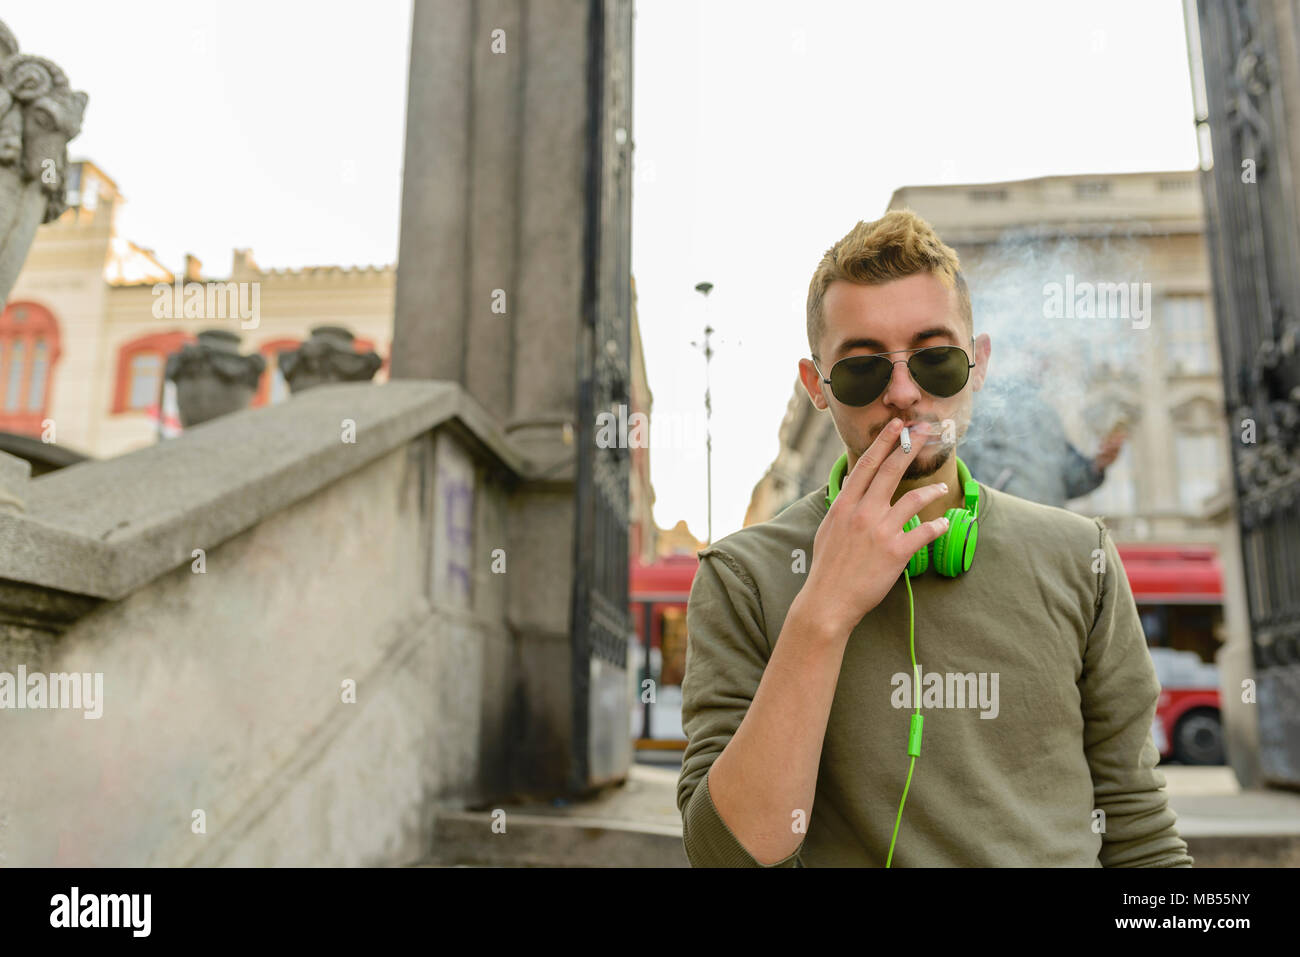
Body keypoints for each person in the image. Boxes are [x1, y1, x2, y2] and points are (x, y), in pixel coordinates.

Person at [676, 209, 1191, 867]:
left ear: (978, 366)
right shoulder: (741, 574)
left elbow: (1141, 832)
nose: (902, 391)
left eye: (935, 359)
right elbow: (729, 856)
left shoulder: (1079, 556)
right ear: (818, 388)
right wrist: (821, 613)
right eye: (862, 369)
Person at [958, 367, 1127, 507]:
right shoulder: (983, 406)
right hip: (1000, 524)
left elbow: (1070, 478)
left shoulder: (1047, 414)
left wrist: (1097, 465)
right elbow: (960, 471)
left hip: (1049, 529)